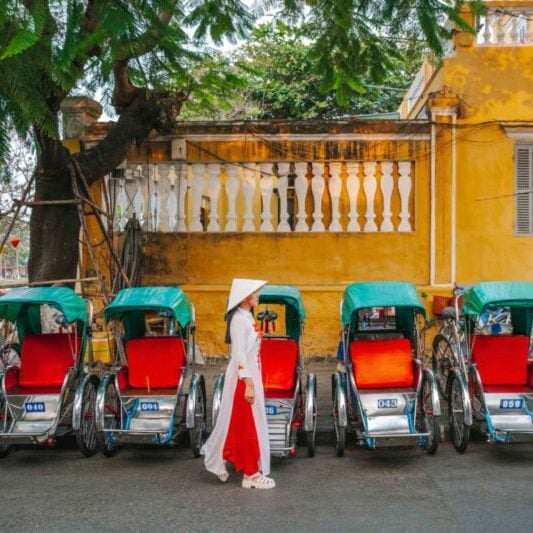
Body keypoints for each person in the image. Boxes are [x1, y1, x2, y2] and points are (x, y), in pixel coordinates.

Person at [201, 278, 275, 489]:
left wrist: (257, 336)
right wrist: (248, 383)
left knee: (238, 422)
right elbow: (239, 353)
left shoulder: (246, 317)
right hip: (244, 377)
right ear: (245, 298)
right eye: (255, 293)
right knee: (248, 424)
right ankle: (250, 474)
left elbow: (246, 346)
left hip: (250, 373)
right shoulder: (238, 320)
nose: (258, 296)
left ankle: (225, 456)